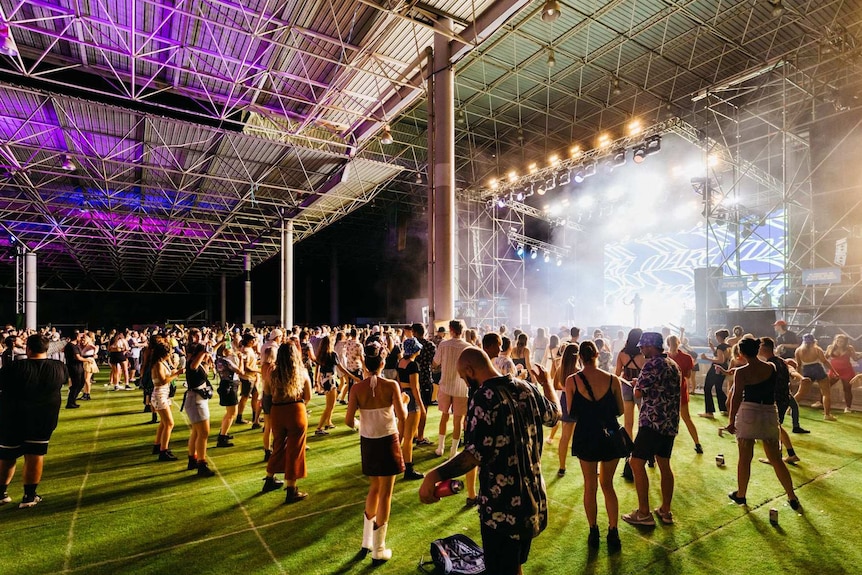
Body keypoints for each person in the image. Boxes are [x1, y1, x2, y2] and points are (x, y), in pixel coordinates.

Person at [419, 348, 561, 575]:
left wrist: (434, 475)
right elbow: (555, 414)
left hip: (502, 510)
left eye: (465, 378)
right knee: (514, 566)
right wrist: (548, 384)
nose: (466, 384)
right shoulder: (527, 388)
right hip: (532, 502)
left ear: (469, 369)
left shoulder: (484, 398)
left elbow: (474, 455)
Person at [345, 343, 407, 564]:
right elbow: (402, 415)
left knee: (374, 488)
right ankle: (378, 548)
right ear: (382, 363)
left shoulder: (356, 389)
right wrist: (405, 405)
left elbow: (347, 420)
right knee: (386, 493)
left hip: (369, 441)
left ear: (364, 363)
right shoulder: (391, 385)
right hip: (388, 439)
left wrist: (365, 424)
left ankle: (366, 541)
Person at [725, 337, 801, 510]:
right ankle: (791, 495)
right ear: (757, 350)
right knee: (776, 458)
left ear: (742, 354)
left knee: (745, 458)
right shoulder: (771, 367)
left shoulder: (741, 372)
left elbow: (736, 397)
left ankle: (741, 494)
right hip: (768, 411)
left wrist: (731, 420)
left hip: (749, 412)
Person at [567, 341, 625, 551]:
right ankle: (613, 531)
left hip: (586, 435)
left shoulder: (572, 381)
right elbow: (620, 410)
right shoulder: (612, 379)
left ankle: (593, 531)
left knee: (590, 485)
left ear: (579, 357)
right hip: (609, 434)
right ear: (597, 354)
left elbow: (572, 412)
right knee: (608, 485)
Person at [0, 334, 69, 508]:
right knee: (35, 455)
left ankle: (1, 494)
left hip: (12, 417)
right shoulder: (59, 367)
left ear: (28, 349)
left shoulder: (15, 367)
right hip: (43, 418)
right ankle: (29, 496)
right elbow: (65, 382)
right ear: (47, 349)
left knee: (7, 455)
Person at [622, 332, 680, 527]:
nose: (640, 349)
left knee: (636, 463)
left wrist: (636, 384)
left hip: (653, 422)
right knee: (665, 465)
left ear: (651, 347)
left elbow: (638, 392)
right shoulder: (673, 364)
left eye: (643, 346)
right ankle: (665, 510)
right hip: (670, 423)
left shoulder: (651, 364)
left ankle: (644, 513)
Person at [262, 342, 312, 503]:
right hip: (296, 410)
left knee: (278, 446)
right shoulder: (302, 373)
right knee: (295, 450)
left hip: (277, 410)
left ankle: (269, 478)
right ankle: (291, 489)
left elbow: (267, 393)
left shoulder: (272, 373)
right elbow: (308, 396)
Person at [758, 338, 803, 464]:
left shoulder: (771, 364)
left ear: (764, 347)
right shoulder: (781, 361)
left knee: (773, 429)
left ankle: (775, 457)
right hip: (784, 397)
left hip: (776, 399)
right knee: (778, 427)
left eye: (759, 346)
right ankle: (791, 454)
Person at [432, 320, 472, 458]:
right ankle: (453, 451)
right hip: (461, 387)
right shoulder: (468, 347)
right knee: (458, 420)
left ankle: (440, 447)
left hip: (445, 385)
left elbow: (435, 362)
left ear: (451, 330)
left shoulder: (443, 345)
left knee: (444, 416)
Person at [183, 329, 215, 477]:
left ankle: (192, 459)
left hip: (197, 399)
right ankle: (202, 464)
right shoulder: (192, 362)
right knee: (204, 433)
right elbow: (194, 366)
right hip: (196, 400)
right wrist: (202, 351)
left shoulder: (198, 362)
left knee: (196, 432)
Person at [615, 328, 644, 480]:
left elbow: (617, 373)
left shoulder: (622, 353)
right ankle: (643, 452)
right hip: (641, 387)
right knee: (643, 422)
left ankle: (628, 454)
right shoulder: (643, 355)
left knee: (628, 424)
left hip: (626, 386)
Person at [667, 335, 702, 454]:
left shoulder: (665, 357)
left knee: (667, 420)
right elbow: (687, 375)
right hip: (678, 391)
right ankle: (697, 444)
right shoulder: (686, 358)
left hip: (668, 393)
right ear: (679, 343)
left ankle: (660, 449)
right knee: (686, 418)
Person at [150, 336, 184, 461]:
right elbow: (163, 380)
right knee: (170, 423)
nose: (170, 355)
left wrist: (174, 371)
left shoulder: (162, 362)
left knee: (164, 423)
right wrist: (176, 374)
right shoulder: (158, 364)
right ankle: (163, 451)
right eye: (169, 353)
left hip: (164, 394)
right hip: (160, 394)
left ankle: (158, 445)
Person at [795, 334, 834, 420]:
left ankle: (789, 408)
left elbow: (799, 365)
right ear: (814, 341)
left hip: (807, 370)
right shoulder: (817, 349)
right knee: (826, 393)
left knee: (800, 393)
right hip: (818, 369)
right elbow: (825, 361)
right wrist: (834, 371)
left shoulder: (798, 350)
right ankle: (827, 414)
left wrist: (799, 376)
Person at [556, 343, 580, 477]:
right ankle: (589, 465)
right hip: (577, 401)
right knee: (583, 434)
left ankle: (562, 467)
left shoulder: (561, 368)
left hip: (565, 400)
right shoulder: (578, 370)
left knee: (565, 436)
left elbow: (555, 385)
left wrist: (565, 389)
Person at [214, 338, 242, 447]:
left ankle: (223, 432)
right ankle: (222, 437)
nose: (231, 349)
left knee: (228, 412)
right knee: (232, 413)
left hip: (225, 384)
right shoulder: (227, 361)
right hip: (230, 385)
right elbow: (240, 371)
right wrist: (241, 360)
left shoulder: (219, 360)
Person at [411, 323, 435, 447]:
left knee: (414, 410)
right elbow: (434, 363)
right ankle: (420, 437)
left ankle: (414, 435)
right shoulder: (430, 345)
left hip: (412, 380)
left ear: (414, 332)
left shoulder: (410, 345)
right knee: (423, 409)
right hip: (425, 380)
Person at [699, 329, 730, 418]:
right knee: (718, 388)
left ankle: (709, 411)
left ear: (719, 337)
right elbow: (722, 358)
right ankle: (725, 408)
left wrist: (706, 358)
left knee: (707, 387)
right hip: (723, 368)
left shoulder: (720, 347)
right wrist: (713, 348)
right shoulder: (727, 346)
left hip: (716, 368)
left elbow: (720, 360)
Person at [826, 334, 858, 413]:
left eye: (841, 341)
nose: (839, 342)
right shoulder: (830, 347)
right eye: (837, 341)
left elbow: (855, 358)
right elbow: (824, 358)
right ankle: (820, 402)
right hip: (834, 371)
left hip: (847, 371)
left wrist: (860, 355)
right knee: (826, 386)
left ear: (845, 342)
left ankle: (848, 407)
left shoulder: (849, 348)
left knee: (847, 389)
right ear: (835, 341)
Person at [63, 334, 86, 409]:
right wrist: (88, 360)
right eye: (80, 337)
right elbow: (78, 357)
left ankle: (72, 401)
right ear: (76, 337)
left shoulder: (74, 345)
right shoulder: (71, 346)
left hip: (78, 367)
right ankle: (70, 402)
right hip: (74, 367)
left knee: (81, 383)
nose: (81, 339)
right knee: (76, 384)